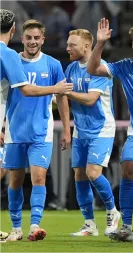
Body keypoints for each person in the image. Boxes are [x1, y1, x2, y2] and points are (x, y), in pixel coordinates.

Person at [86, 18, 133, 241]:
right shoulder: (125, 66)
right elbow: (92, 68)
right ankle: (127, 227)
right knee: (127, 171)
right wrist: (99, 43)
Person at [1, 13, 72, 242]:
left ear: (43, 39)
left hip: (41, 130)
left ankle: (35, 225)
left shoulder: (52, 64)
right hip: (15, 130)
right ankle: (15, 228)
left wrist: (67, 129)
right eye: (29, 37)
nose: (33, 41)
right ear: (20, 38)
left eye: (37, 37)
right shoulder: (12, 61)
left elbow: (62, 97)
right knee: (15, 180)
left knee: (39, 177)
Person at [64, 29, 120, 237]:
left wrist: (65, 92)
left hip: (101, 129)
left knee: (93, 173)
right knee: (79, 175)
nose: (67, 48)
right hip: (80, 129)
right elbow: (62, 96)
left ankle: (112, 211)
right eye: (68, 44)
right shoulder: (70, 68)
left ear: (87, 46)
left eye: (72, 45)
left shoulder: (100, 69)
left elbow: (89, 99)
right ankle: (89, 224)